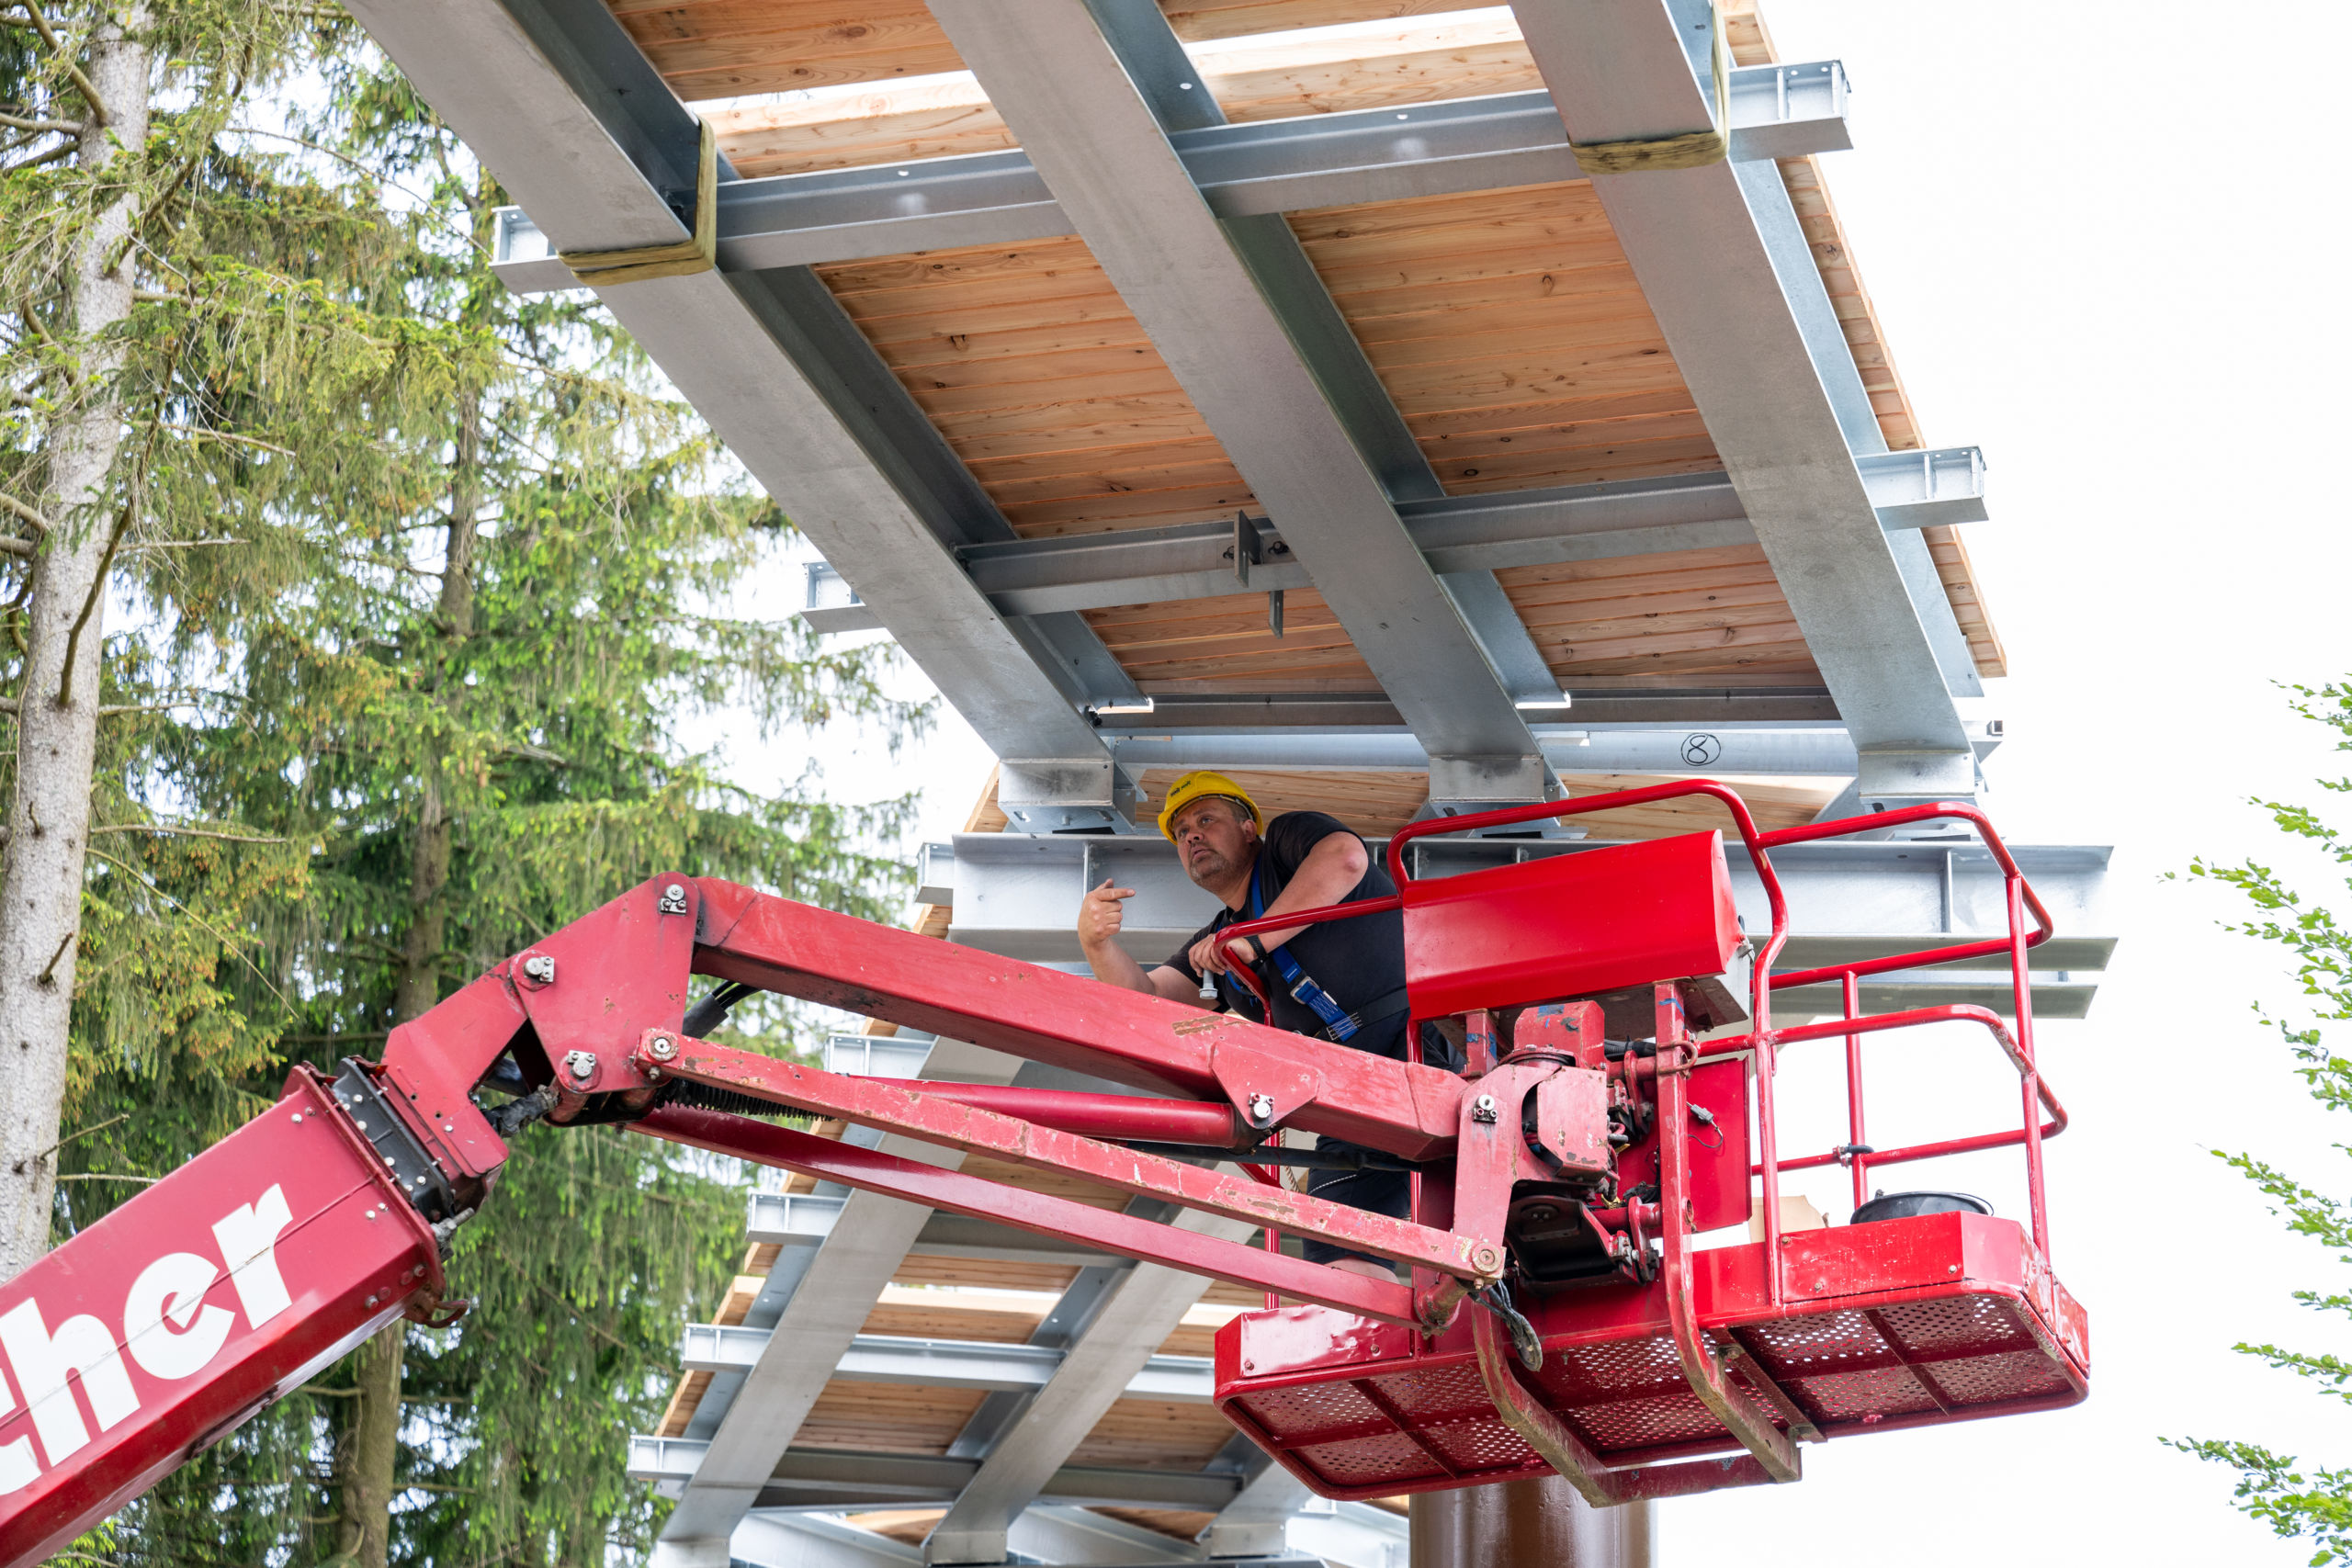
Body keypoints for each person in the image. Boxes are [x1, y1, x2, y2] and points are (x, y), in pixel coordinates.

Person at [1076, 771, 1448, 1282]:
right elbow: (1150, 1001)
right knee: (1339, 1252)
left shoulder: (1290, 845)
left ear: (1250, 827)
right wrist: (1097, 945)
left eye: (1206, 820)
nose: (1192, 836)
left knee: (1499, 1206)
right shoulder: (1214, 942)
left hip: (1415, 1044)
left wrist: (1255, 939)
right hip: (1353, 1094)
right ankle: (1380, 1355)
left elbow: (1346, 858)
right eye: (1181, 832)